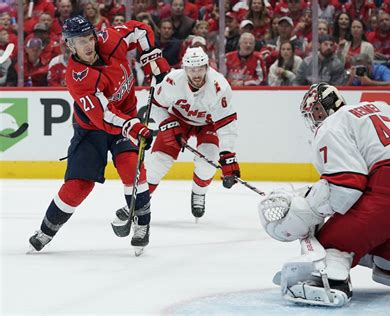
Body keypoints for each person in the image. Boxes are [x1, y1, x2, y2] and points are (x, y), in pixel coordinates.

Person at [258, 83, 390, 306]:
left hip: (389, 202)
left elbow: (346, 186)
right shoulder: (382, 107)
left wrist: (309, 208)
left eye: (315, 112)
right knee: (383, 256)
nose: (314, 119)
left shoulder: (331, 126)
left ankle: (330, 283)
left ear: (324, 108)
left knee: (330, 242)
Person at [28, 15, 170, 254]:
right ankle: (46, 231)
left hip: (124, 120)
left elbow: (139, 29)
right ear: (69, 45)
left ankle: (142, 226)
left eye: (88, 37)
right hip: (92, 129)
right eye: (79, 41)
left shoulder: (109, 40)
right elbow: (104, 116)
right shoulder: (77, 78)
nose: (87, 44)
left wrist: (151, 56)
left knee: (131, 167)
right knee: (78, 185)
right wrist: (133, 126)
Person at [116, 47, 240, 221]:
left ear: (207, 67)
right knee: (158, 162)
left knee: (209, 161)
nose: (196, 74)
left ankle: (199, 193)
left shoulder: (219, 86)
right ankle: (139, 203)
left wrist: (227, 156)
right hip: (177, 120)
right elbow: (156, 105)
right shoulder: (173, 81)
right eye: (192, 70)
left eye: (200, 69)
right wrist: (167, 124)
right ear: (185, 69)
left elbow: (227, 124)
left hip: (207, 124)